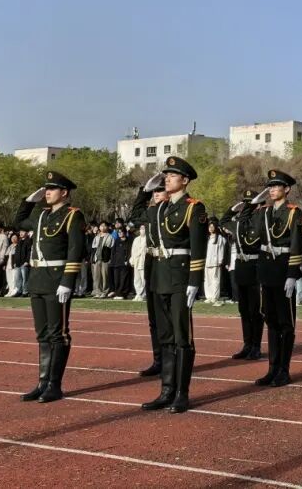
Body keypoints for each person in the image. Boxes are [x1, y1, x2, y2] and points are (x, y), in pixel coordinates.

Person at [10, 171, 86, 403]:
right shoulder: (42, 215)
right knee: (42, 334)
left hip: (56, 280)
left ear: (64, 192)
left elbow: (75, 250)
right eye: (46, 189)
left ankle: (54, 384)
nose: (47, 192)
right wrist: (28, 201)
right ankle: (42, 382)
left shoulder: (73, 216)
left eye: (51, 189)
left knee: (57, 333)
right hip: (38, 279)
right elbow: (18, 222)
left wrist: (67, 281)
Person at [139, 156, 208, 413]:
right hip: (159, 276)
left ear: (185, 180)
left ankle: (181, 393)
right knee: (165, 337)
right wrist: (145, 189)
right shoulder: (159, 209)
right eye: (165, 175)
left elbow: (198, 247)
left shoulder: (194, 208)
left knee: (182, 337)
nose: (167, 179)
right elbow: (138, 214)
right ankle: (166, 390)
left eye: (172, 175)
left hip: (180, 278)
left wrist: (194, 281)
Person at [251, 170, 302, 387]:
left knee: (286, 324)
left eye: (276, 186)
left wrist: (292, 274)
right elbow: (250, 228)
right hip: (267, 271)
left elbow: (297, 244)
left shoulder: (293, 213)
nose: (272, 190)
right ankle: (272, 368)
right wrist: (252, 204)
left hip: (283, 270)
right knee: (271, 322)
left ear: (287, 189)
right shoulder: (264, 212)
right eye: (270, 187)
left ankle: (284, 370)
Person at [128, 181, 169, 376]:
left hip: (168, 265)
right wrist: (144, 192)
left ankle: (171, 362)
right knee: (153, 319)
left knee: (167, 319)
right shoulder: (151, 212)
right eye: (154, 191)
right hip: (151, 264)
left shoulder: (174, 210)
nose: (156, 194)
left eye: (160, 190)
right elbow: (135, 215)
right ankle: (158, 360)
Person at [219, 189, 265, 360]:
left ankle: (256, 346)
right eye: (245, 203)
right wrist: (233, 209)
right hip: (241, 267)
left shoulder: (260, 220)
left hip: (256, 267)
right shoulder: (238, 224)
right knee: (244, 310)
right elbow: (223, 221)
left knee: (255, 311)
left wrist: (256, 207)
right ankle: (247, 344)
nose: (247, 206)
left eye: (249, 203)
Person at [204, 221, 226, 306]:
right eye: (209, 227)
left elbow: (221, 249)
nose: (211, 228)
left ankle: (214, 296)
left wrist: (220, 260)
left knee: (215, 280)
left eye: (212, 227)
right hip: (207, 261)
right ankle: (208, 296)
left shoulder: (219, 238)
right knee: (207, 280)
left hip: (215, 262)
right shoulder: (207, 237)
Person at [131, 224, 148, 300]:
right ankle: (138, 293)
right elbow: (133, 250)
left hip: (143, 260)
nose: (142, 230)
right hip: (136, 260)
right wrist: (132, 259)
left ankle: (143, 294)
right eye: (141, 228)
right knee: (137, 278)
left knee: (143, 278)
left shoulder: (148, 239)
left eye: (143, 228)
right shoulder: (136, 239)